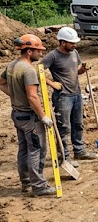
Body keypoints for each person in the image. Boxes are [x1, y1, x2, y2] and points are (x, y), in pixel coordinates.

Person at [0, 35, 57, 196]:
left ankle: (26, 182)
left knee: (23, 149)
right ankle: (38, 186)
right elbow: (32, 97)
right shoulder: (28, 70)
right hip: (30, 117)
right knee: (36, 150)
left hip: (17, 115)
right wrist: (43, 116)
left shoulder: (12, 65)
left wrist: (15, 97)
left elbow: (1, 82)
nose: (40, 54)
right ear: (29, 51)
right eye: (38, 51)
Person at [41, 27, 98, 165]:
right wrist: (51, 83)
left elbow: (76, 71)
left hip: (76, 94)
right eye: (72, 43)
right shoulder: (52, 56)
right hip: (63, 97)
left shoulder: (74, 53)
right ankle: (64, 157)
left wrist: (83, 69)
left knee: (78, 124)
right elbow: (38, 72)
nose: (75, 45)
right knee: (64, 127)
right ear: (62, 42)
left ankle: (79, 151)